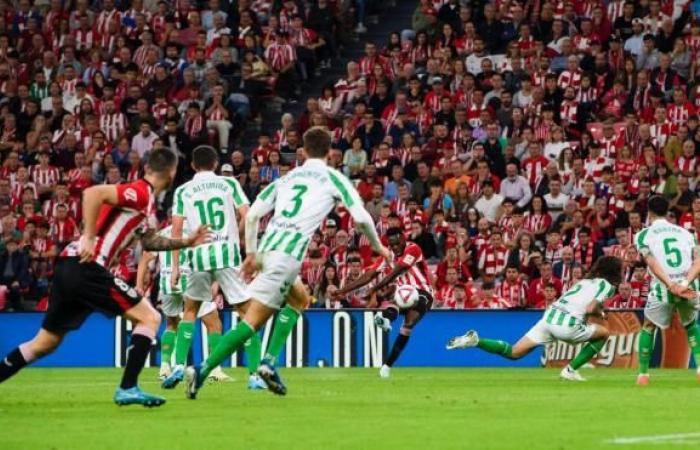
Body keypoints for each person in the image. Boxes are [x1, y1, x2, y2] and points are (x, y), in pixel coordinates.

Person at [184, 127, 389, 397]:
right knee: (252, 322)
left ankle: (268, 362)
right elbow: (361, 219)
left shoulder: (286, 178)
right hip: (286, 258)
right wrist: (379, 247)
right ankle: (201, 371)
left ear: (303, 150)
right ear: (330, 152)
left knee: (300, 300)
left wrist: (252, 254)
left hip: (268, 249)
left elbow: (255, 215)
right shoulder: (332, 177)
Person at [0, 148, 210, 407]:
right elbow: (93, 193)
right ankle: (128, 387)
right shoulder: (140, 191)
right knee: (150, 317)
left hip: (69, 267)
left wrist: (186, 241)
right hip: (87, 266)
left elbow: (149, 241)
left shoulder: (146, 204)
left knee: (44, 343)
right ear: (172, 172)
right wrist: (88, 236)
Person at [161, 145, 262, 390]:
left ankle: (176, 366)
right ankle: (255, 375)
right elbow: (249, 216)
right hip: (226, 255)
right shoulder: (229, 185)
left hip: (197, 257)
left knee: (190, 312)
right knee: (249, 315)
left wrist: (175, 267)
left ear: (193, 166)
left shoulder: (183, 191)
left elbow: (176, 232)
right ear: (216, 164)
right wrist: (250, 252)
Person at [447, 256, 623, 382]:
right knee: (604, 333)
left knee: (514, 352)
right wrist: (599, 312)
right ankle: (570, 371)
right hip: (567, 325)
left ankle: (476, 341)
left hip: (549, 317)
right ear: (615, 272)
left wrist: (596, 311)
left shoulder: (584, 282)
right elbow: (590, 307)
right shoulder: (607, 286)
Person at [135, 224, 237, 385]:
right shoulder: (194, 231)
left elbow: (144, 260)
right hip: (188, 280)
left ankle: (164, 367)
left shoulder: (163, 233)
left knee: (171, 324)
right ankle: (215, 370)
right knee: (214, 323)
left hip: (167, 283)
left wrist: (139, 285)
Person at [331, 226, 434, 378]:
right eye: (391, 245)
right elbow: (368, 276)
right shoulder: (388, 255)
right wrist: (343, 290)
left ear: (403, 239)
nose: (394, 247)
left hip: (423, 292)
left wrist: (375, 289)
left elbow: (397, 271)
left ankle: (386, 319)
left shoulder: (413, 249)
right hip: (403, 293)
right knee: (399, 299)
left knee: (408, 323)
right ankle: (386, 365)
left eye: (397, 243)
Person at [633, 195, 700, 386]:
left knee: (648, 326)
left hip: (664, 288)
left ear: (649, 212)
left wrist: (671, 285)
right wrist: (685, 283)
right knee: (691, 325)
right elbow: (698, 260)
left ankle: (643, 375)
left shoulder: (643, 235)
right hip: (689, 286)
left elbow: (652, 262)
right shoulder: (686, 233)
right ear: (668, 211)